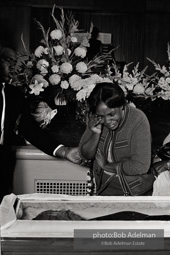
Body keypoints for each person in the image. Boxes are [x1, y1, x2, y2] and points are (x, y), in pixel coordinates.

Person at [0, 43, 81, 202]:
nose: (12, 66)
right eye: (7, 60)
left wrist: (63, 151)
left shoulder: (13, 95)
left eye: (12, 61)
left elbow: (29, 129)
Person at [79, 82, 154, 196]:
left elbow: (140, 166)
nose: (107, 121)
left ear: (122, 106)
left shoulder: (138, 119)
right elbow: (85, 155)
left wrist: (106, 166)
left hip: (133, 192)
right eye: (101, 116)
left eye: (111, 114)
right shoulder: (95, 116)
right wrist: (95, 133)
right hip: (102, 189)